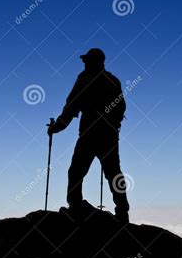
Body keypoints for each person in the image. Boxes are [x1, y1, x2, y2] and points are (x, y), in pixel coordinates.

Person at [47, 48, 130, 224]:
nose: (84, 63)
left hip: (89, 134)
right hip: (108, 135)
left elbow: (72, 105)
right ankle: (122, 212)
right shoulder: (112, 80)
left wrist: (57, 127)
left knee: (76, 171)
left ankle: (75, 207)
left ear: (96, 61)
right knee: (114, 173)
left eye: (87, 60)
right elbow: (121, 107)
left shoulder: (84, 79)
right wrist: (114, 125)